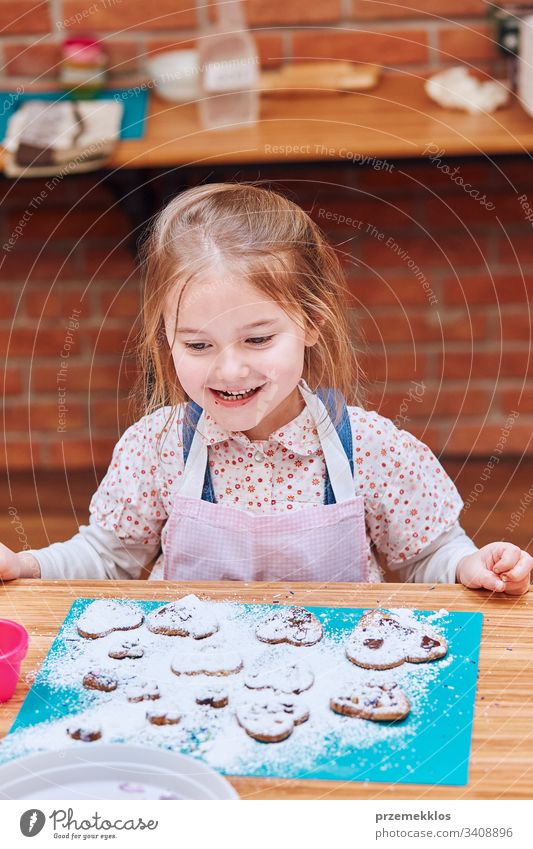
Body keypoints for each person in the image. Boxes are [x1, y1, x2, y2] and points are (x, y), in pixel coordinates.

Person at [1, 183, 531, 592]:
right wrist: (26, 564)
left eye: (257, 339)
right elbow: (108, 558)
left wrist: (469, 565)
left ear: (312, 322)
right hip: (192, 685)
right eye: (198, 346)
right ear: (165, 338)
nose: (229, 371)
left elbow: (424, 556)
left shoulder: (372, 448)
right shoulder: (156, 447)